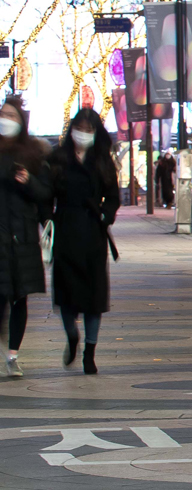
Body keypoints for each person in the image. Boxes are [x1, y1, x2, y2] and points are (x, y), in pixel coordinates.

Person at [47, 109, 118, 376]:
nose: (83, 134)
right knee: (66, 292)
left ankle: (90, 352)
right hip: (65, 230)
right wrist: (47, 220)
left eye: (89, 130)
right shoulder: (58, 158)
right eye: (80, 128)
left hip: (93, 233)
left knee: (93, 296)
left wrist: (105, 215)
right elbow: (47, 194)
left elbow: (112, 196)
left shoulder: (102, 161)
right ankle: (71, 335)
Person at [0, 98, 50, 377]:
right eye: (3, 114)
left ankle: (13, 354)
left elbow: (45, 195)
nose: (6, 119)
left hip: (23, 237)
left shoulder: (32, 154)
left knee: (19, 297)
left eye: (11, 115)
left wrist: (28, 180)